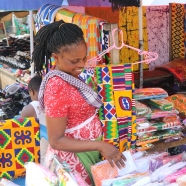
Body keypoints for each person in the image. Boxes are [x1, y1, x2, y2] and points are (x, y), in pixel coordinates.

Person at [32, 20, 126, 185]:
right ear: (56, 57)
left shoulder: (71, 76)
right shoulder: (56, 87)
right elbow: (56, 140)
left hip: (86, 155)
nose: (82, 65)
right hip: (73, 163)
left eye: (84, 58)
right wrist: (100, 146)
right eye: (74, 61)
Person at [20, 75, 49, 166]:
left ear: (31, 92)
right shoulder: (52, 105)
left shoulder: (30, 108)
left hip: (38, 153)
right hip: (53, 151)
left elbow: (19, 130)